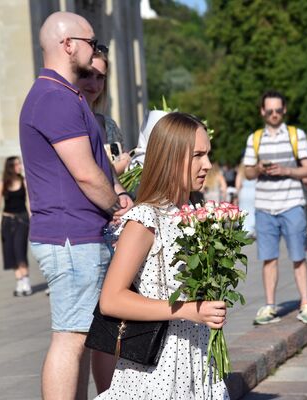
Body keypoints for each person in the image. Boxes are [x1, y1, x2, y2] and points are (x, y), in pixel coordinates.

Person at [19, 12, 133, 399]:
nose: (95, 47)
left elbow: (97, 166)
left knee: (80, 336)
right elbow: (85, 173)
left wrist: (120, 194)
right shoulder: (54, 97)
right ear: (68, 45)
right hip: (70, 237)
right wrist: (119, 203)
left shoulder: (66, 95)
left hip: (81, 235)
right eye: (90, 40)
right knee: (70, 337)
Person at [95, 112, 229, 399]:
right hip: (158, 368)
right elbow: (111, 299)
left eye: (208, 155)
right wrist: (189, 310)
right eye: (198, 155)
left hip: (197, 359)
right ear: (171, 156)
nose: (207, 165)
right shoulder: (145, 218)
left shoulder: (194, 215)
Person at [243, 90, 307, 325]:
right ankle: (269, 305)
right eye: (270, 110)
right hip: (265, 205)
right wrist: (260, 169)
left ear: (284, 110)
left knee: (298, 255)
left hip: (292, 202)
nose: (274, 114)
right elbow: (247, 172)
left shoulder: (297, 135)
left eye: (278, 110)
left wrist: (286, 171)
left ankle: (305, 302)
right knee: (268, 258)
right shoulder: (255, 138)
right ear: (262, 111)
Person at [77, 48, 131, 179]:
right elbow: (82, 177)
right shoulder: (67, 120)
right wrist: (120, 167)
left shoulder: (109, 125)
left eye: (100, 77)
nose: (94, 84)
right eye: (86, 75)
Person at [0, 156, 32, 296]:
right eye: (16, 164)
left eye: (19, 164)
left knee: (20, 250)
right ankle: (19, 282)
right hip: (7, 221)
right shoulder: (2, 184)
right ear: (9, 167)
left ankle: (26, 282)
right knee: (10, 252)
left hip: (22, 220)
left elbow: (30, 203)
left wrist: (33, 218)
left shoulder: (24, 181)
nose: (19, 166)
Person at [235, 162, 256, 236]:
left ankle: (246, 228)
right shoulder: (255, 171)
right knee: (253, 210)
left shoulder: (241, 172)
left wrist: (236, 197)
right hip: (254, 193)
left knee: (244, 210)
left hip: (244, 194)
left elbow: (238, 186)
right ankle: (253, 228)